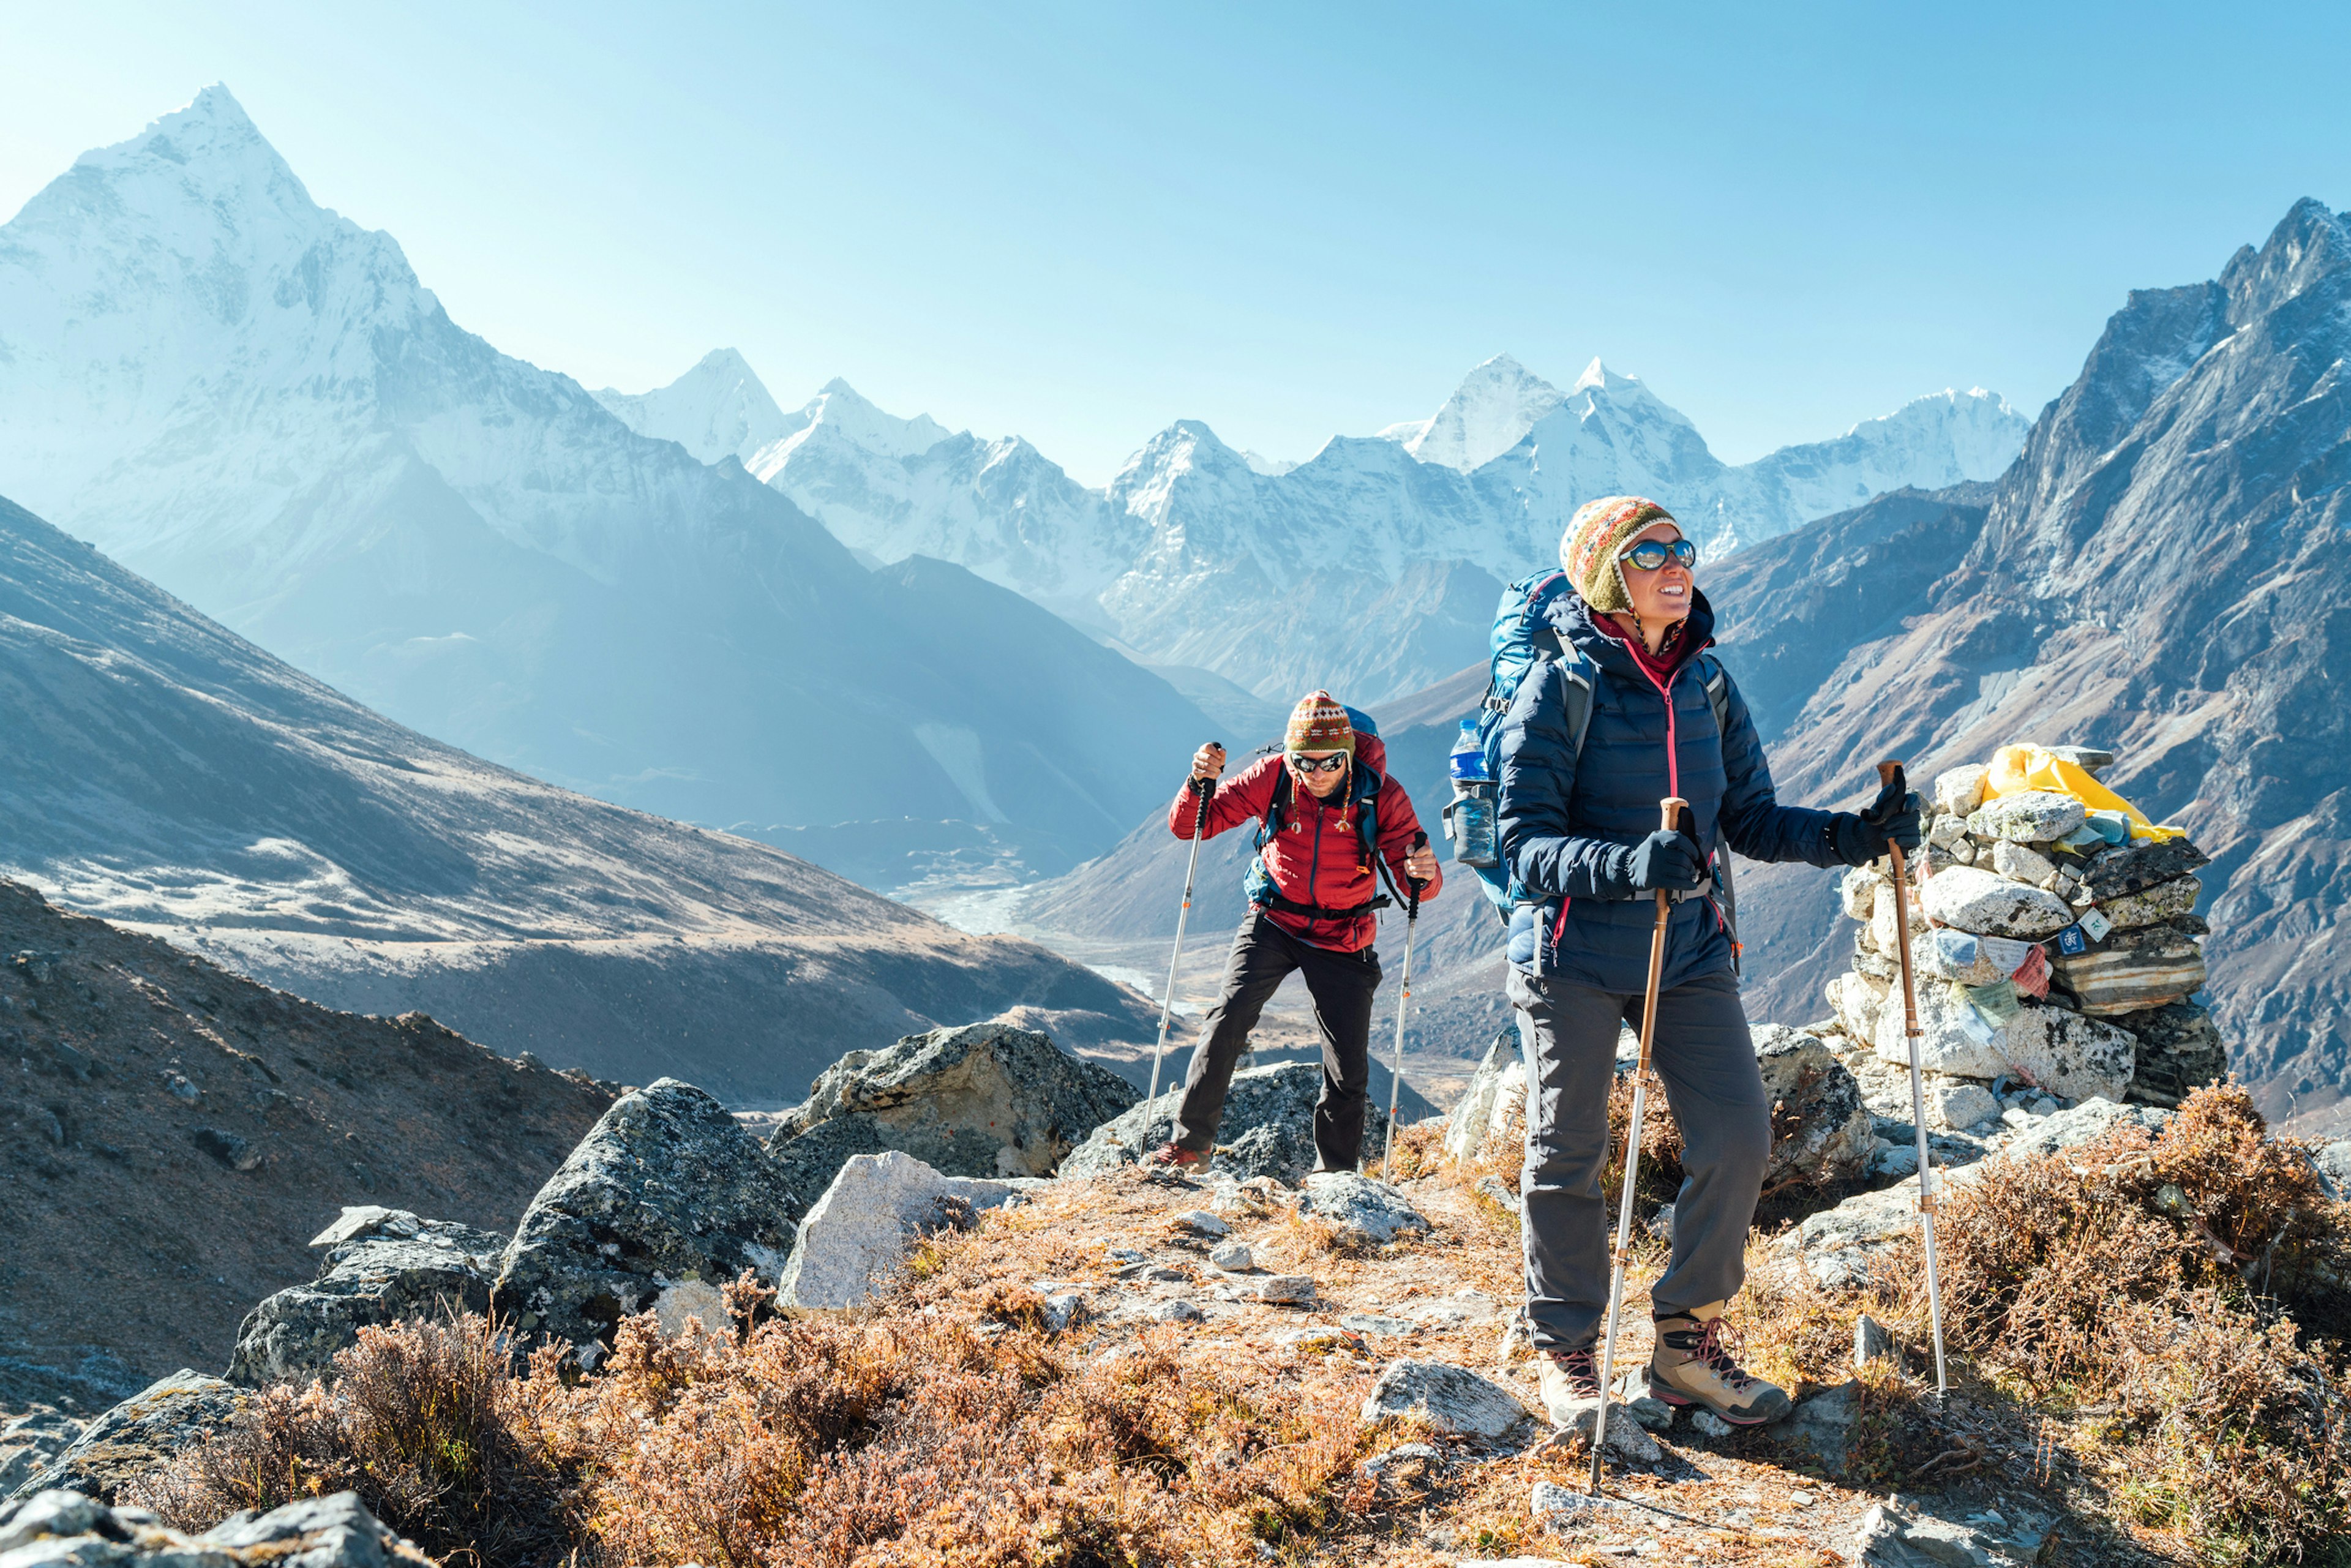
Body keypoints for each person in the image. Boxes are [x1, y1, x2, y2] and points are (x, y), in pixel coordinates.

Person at [1496, 495, 1921, 1428]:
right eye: (1650, 552)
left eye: (1682, 547)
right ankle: (1567, 1348)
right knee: (1568, 1149)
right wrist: (1624, 865)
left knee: (1736, 1137)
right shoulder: (1560, 687)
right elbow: (1524, 846)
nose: (1676, 563)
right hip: (1570, 952)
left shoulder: (1708, 686)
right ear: (1610, 578)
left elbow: (1754, 820)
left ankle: (1685, 1345)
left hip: (1685, 945)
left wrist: (1857, 834)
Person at [1146, 691, 1444, 1172]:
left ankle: (1338, 1175)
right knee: (1227, 1018)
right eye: (1304, 760)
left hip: (1344, 934)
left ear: (1348, 754)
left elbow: (1418, 884)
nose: (1317, 772)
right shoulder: (1274, 776)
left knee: (1348, 1068)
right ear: (1290, 755)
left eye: (1330, 761)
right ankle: (1188, 1146)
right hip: (1275, 918)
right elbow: (1192, 826)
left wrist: (1423, 873)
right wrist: (1198, 782)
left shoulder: (1382, 794)